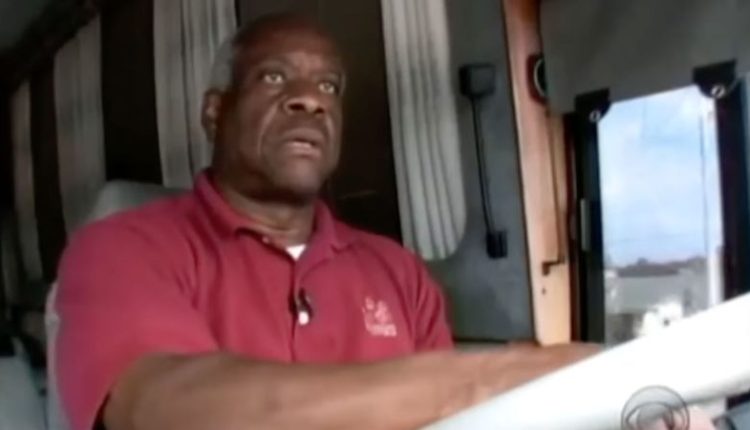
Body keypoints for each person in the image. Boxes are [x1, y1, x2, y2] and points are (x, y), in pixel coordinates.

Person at [51, 13, 602, 430]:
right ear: (215, 112)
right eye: (274, 77)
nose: (309, 101)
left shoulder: (399, 273)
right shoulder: (122, 249)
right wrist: (490, 379)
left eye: (329, 87)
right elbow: (160, 408)